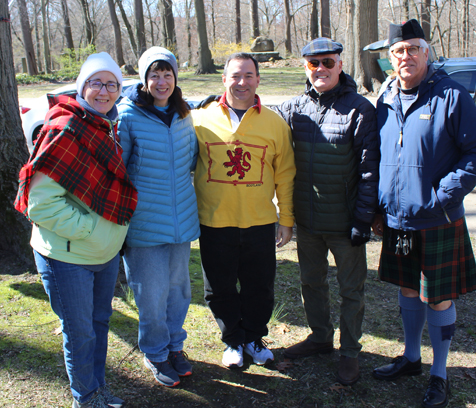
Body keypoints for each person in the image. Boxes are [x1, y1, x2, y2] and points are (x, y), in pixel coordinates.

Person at [371, 20, 476, 408]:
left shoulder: (451, 96)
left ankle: (439, 374)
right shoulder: (386, 99)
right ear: (389, 59)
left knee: (438, 297)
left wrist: (443, 196)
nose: (405, 57)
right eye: (397, 52)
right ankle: (411, 357)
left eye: (412, 49)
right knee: (409, 288)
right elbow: (379, 157)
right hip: (397, 219)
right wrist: (378, 207)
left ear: (426, 53)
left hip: (437, 218)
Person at [14, 52, 137, 408]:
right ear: (82, 86)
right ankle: (85, 398)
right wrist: (92, 229)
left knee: (99, 325)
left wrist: (107, 236)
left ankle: (97, 389)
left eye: (111, 84)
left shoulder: (106, 127)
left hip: (104, 253)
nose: (104, 91)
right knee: (80, 333)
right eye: (95, 82)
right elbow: (42, 204)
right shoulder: (65, 128)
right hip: (67, 256)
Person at [273, 38, 379, 385]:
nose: (320, 70)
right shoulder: (294, 108)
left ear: (340, 64)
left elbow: (368, 171)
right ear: (305, 67)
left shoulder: (359, 109)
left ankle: (349, 351)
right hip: (307, 220)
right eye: (313, 63)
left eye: (328, 63)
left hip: (345, 222)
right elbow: (262, 128)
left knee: (352, 290)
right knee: (311, 282)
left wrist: (363, 219)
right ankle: (320, 337)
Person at [191, 53, 295, 369]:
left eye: (249, 76)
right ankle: (233, 340)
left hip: (260, 223)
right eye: (235, 76)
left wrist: (286, 220)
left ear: (258, 80)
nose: (242, 83)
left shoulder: (275, 124)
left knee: (259, 287)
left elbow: (285, 174)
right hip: (214, 222)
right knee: (219, 288)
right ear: (224, 79)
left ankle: (253, 337)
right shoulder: (199, 120)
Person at [117, 47, 199, 388]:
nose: (161, 81)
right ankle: (155, 351)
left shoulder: (184, 114)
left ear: (176, 78)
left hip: (180, 221)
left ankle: (175, 347)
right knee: (150, 294)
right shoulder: (128, 116)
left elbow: (192, 159)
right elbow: (117, 169)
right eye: (154, 74)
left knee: (179, 291)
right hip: (144, 224)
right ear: (143, 78)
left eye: (167, 74)